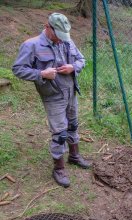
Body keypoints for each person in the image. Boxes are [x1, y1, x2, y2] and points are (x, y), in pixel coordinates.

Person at [12, 13, 91, 188]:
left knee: (73, 125)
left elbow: (81, 59)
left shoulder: (67, 40)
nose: (61, 40)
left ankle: (74, 156)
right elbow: (17, 69)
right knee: (60, 133)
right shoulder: (31, 45)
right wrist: (41, 74)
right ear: (47, 27)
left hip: (71, 91)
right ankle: (59, 168)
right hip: (52, 95)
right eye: (58, 36)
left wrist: (73, 67)